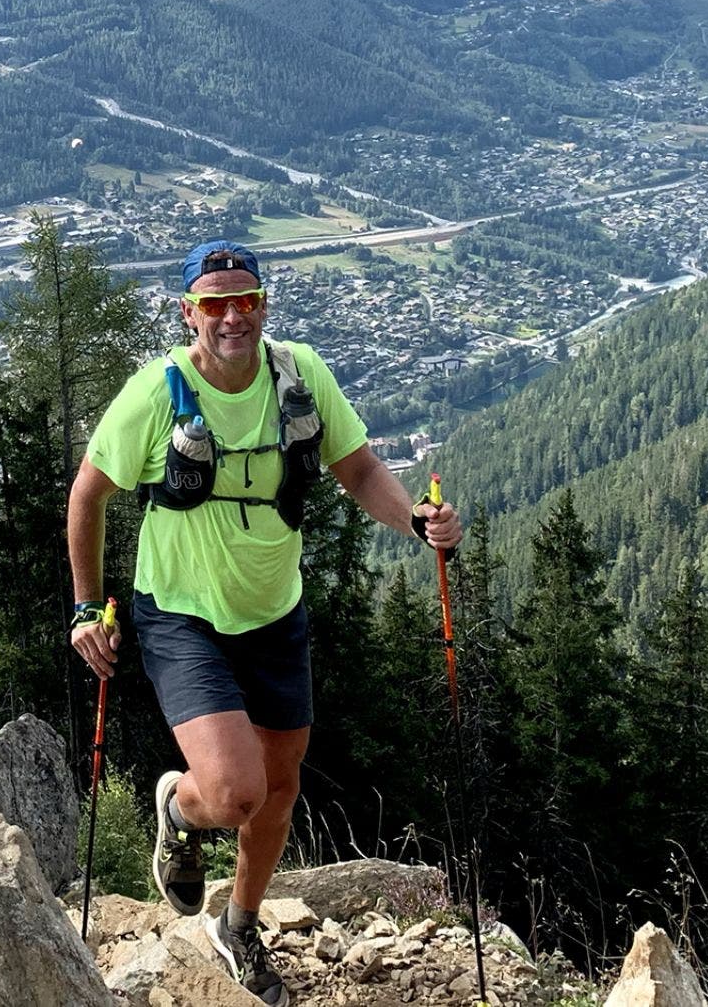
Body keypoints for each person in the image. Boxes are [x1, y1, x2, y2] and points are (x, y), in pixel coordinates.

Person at [67, 239, 460, 1007]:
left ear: (263, 305)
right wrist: (87, 608)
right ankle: (180, 808)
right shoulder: (158, 393)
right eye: (214, 304)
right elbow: (88, 494)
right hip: (181, 615)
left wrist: (417, 522)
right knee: (235, 791)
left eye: (245, 300)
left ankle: (238, 927)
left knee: (278, 789)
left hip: (276, 613)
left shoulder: (298, 376)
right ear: (189, 313)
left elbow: (358, 470)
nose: (232, 317)